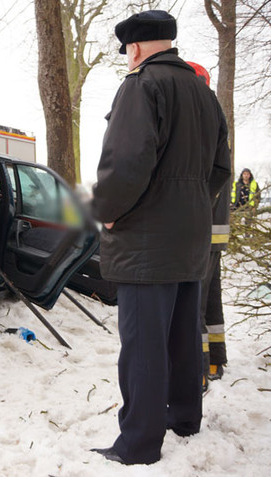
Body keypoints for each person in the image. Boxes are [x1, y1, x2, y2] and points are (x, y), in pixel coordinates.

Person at [90, 10, 232, 465]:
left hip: (146, 242)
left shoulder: (141, 85)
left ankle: (138, 444)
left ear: (134, 48)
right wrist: (189, 205)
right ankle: (185, 416)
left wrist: (107, 212)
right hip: (191, 236)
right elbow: (219, 170)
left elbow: (126, 163)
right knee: (183, 333)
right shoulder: (203, 94)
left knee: (144, 342)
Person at [188, 62, 230, 387]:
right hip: (216, 231)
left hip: (202, 231)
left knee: (194, 307)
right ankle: (216, 360)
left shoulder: (200, 119)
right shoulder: (216, 117)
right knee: (210, 301)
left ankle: (199, 371)